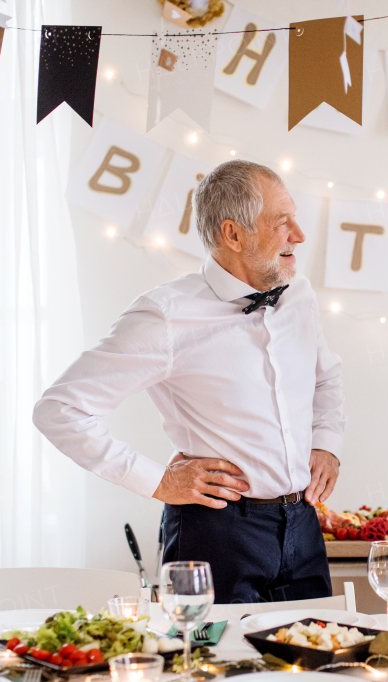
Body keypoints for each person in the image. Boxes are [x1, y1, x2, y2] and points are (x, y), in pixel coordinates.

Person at [34, 160, 344, 604]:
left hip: (303, 527)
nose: (299, 233)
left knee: (314, 664)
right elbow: (59, 411)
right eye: (282, 222)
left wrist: (327, 443)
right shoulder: (165, 315)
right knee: (209, 669)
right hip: (215, 534)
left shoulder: (300, 296)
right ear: (233, 234)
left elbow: (326, 377)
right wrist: (157, 481)